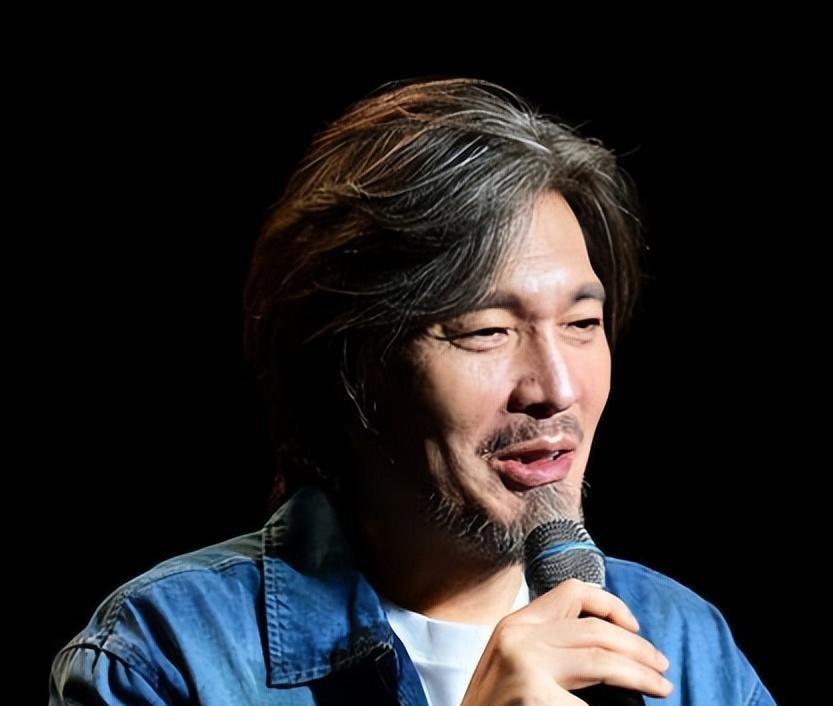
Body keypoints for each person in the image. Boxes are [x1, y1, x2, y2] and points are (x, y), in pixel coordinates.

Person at [49, 77, 774, 706]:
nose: (556, 389)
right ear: (351, 363)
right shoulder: (166, 655)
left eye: (582, 323)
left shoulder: (683, 641)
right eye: (487, 331)